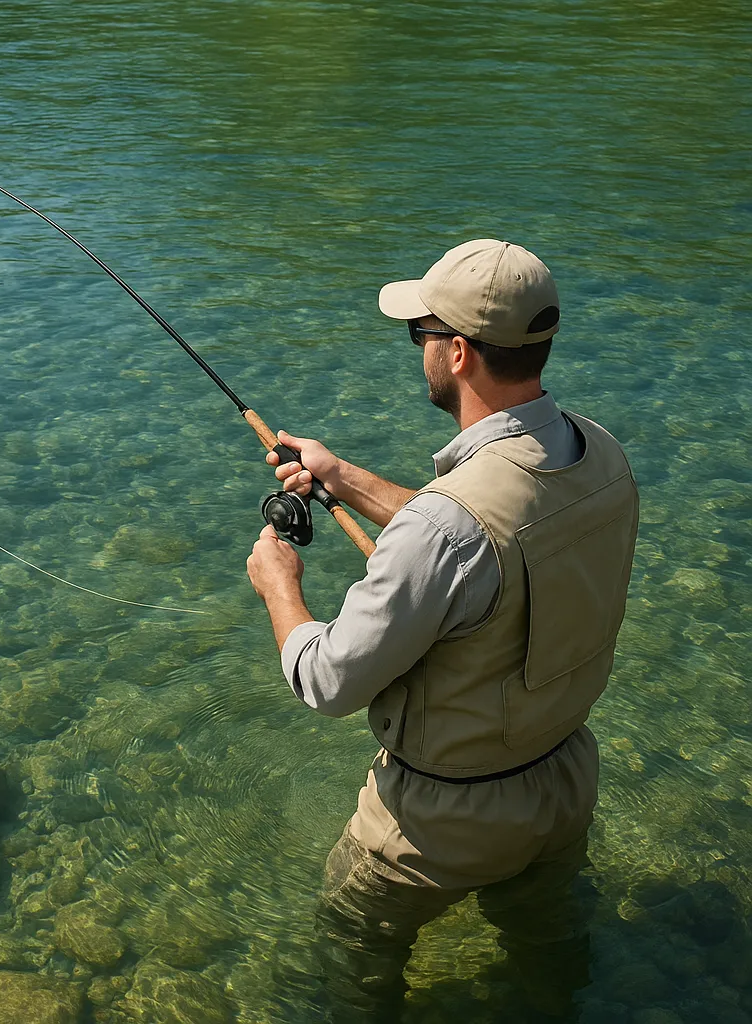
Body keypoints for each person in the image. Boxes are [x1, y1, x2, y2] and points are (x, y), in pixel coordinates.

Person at [245, 239, 639, 1020]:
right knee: (548, 950)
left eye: (419, 333)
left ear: (456, 353)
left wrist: (279, 588)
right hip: (565, 781)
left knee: (353, 956)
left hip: (438, 823)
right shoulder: (602, 454)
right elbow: (486, 541)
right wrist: (344, 478)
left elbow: (326, 681)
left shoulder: (446, 527)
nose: (419, 349)